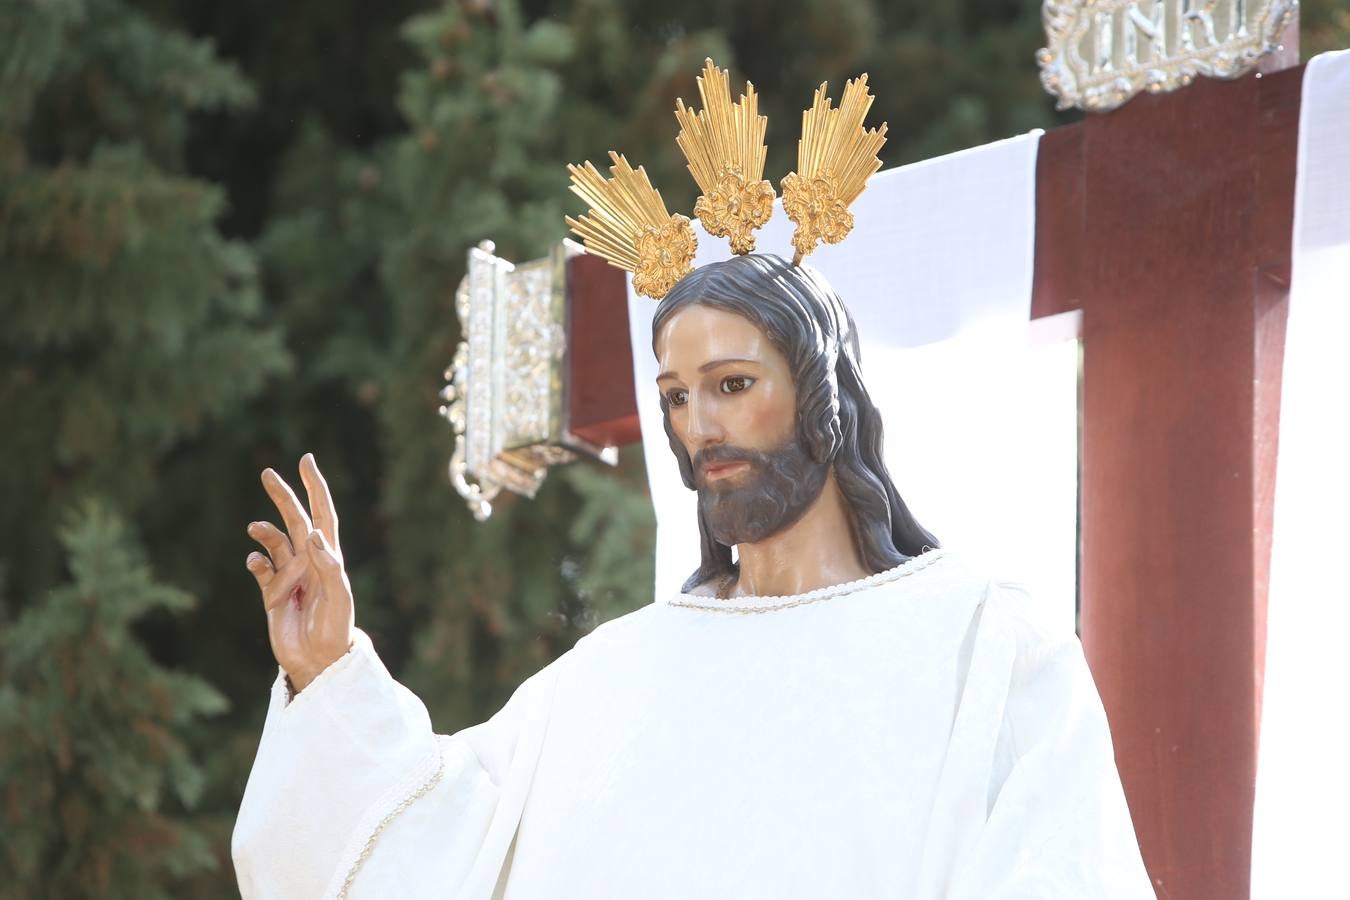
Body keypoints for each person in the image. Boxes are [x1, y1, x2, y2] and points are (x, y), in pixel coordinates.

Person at [233, 251, 1153, 898]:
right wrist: (331, 674)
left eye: (732, 384)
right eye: (676, 397)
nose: (699, 426)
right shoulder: (615, 675)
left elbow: (1060, 874)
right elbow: (435, 846)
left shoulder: (986, 647)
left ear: (821, 390)